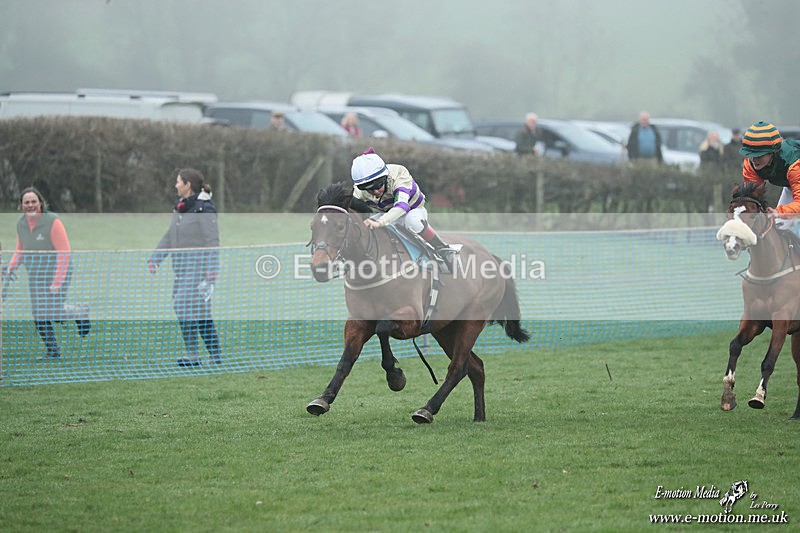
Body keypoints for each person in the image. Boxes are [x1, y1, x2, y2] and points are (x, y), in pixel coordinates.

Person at [4, 186, 90, 359]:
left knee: (52, 311)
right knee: (38, 313)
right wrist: (10, 267)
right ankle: (53, 350)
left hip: (57, 273)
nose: (30, 205)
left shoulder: (52, 221)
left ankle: (79, 311)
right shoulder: (21, 224)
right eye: (26, 202)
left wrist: (57, 282)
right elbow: (21, 250)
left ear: (40, 203)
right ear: (21, 205)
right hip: (35, 275)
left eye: (33, 201)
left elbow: (64, 253)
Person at [148, 168, 222, 367]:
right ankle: (215, 356)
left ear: (188, 185)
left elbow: (212, 239)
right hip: (180, 268)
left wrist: (212, 269)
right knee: (201, 311)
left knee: (181, 304)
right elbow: (169, 235)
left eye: (179, 182)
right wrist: (156, 258)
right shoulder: (180, 207)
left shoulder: (204, 207)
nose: (176, 185)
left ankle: (192, 355)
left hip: (198, 268)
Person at [350, 148, 458, 271]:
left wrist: (379, 222)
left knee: (413, 222)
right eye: (368, 189)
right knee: (364, 228)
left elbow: (402, 207)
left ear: (385, 177)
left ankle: (443, 249)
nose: (375, 192)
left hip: (411, 210)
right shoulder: (359, 191)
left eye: (378, 185)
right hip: (387, 215)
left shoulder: (399, 174)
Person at [739, 121, 800, 228]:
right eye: (751, 154)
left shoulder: (794, 165)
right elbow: (753, 198)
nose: (754, 159)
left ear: (773, 152)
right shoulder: (750, 164)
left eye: (759, 155)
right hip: (792, 185)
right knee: (778, 227)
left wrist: (778, 212)